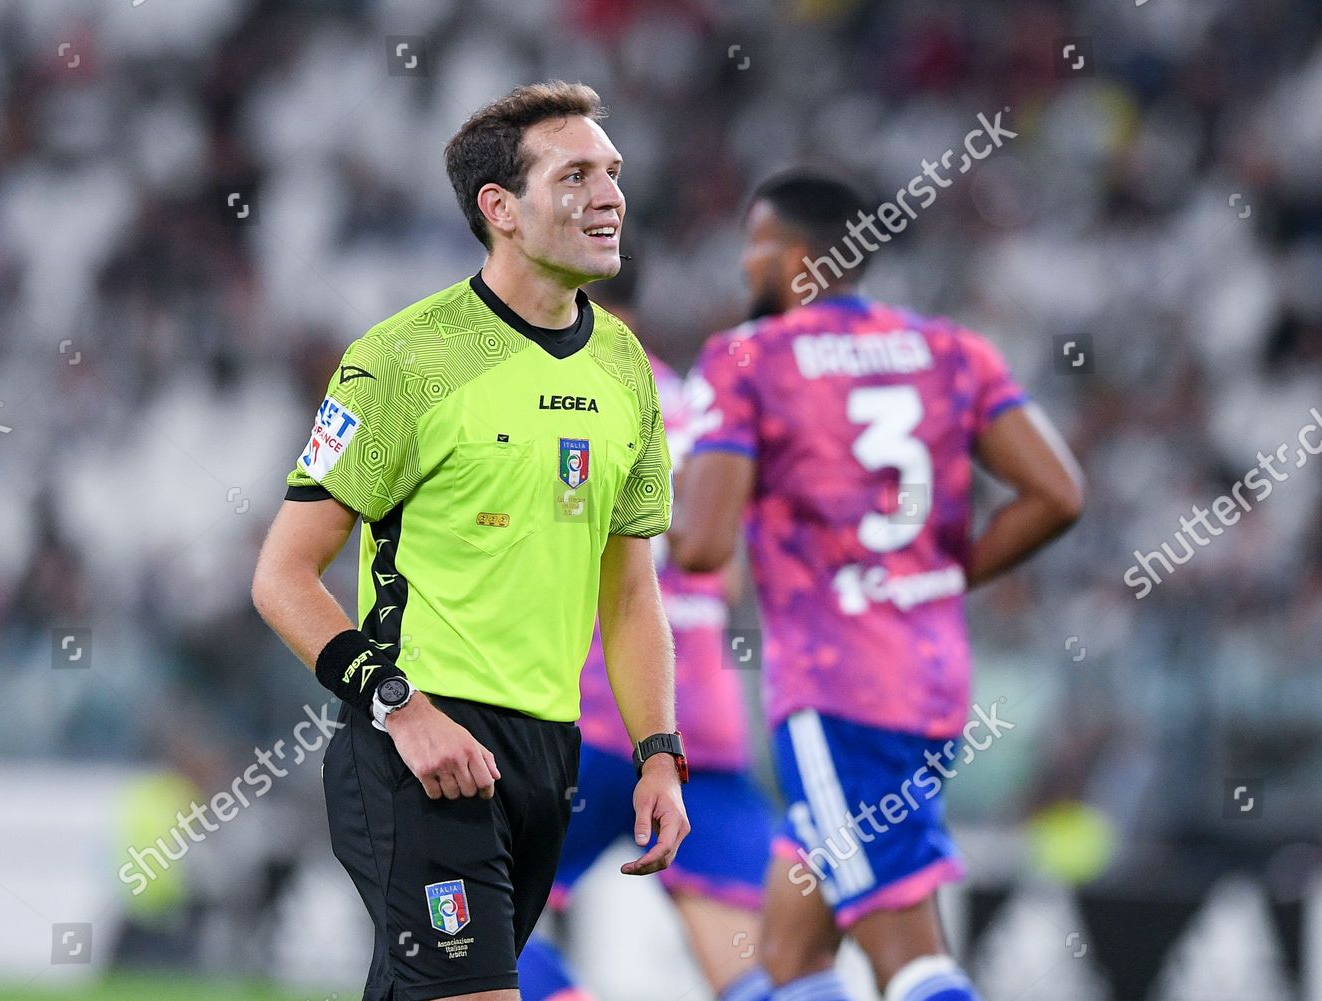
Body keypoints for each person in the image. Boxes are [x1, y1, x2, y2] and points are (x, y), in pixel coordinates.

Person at [251, 81, 690, 1001]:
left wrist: (658, 751)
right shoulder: (404, 359)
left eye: (612, 172)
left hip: (548, 757)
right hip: (418, 749)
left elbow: (630, 592)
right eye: (576, 175)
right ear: (502, 210)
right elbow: (283, 576)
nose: (610, 195)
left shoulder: (624, 368)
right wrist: (401, 707)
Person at [669, 172, 1084, 1001]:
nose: (744, 264)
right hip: (930, 679)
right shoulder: (950, 349)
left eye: (753, 245)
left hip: (838, 694)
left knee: (912, 961)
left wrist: (636, 501)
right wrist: (934, 576)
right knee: (787, 964)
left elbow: (704, 545)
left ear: (790, 256)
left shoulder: (748, 359)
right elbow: (1058, 493)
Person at [518, 263, 776, 1001]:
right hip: (706, 720)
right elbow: (724, 573)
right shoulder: (696, 402)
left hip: (598, 711)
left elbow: (557, 552)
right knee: (743, 960)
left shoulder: (564, 395)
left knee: (466, 916)